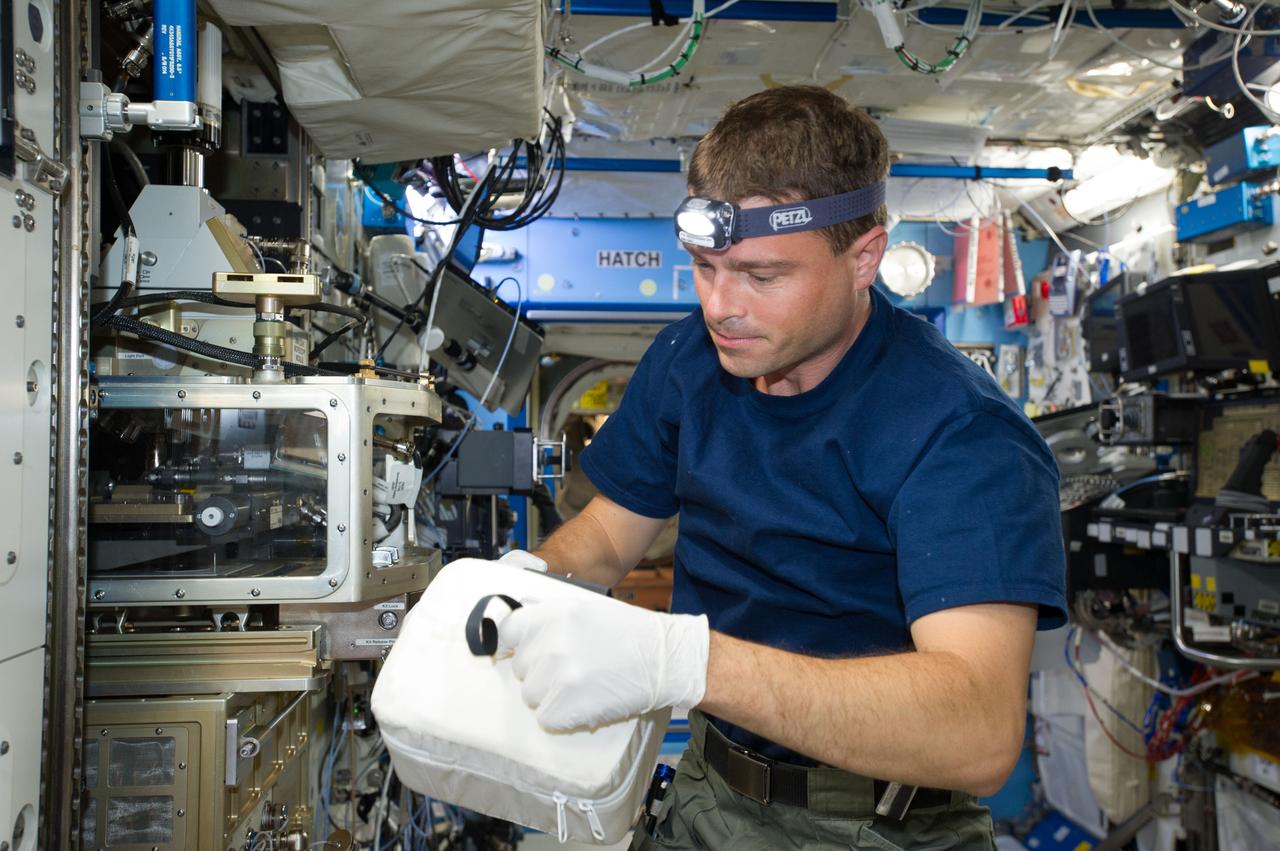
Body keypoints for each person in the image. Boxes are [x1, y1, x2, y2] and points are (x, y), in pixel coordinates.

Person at [496, 85, 1067, 850]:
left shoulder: (960, 432)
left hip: (877, 823)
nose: (720, 305)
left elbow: (977, 732)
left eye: (762, 277)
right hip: (707, 789)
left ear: (864, 256)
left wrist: (685, 661)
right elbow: (607, 536)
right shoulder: (687, 361)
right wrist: (518, 584)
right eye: (704, 267)